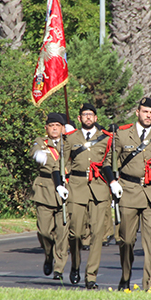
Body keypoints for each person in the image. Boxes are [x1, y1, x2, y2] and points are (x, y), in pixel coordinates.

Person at [110, 98, 151, 290]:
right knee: (126, 240)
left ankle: (149, 285)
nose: (148, 115)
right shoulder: (122, 134)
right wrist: (113, 182)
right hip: (128, 191)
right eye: (145, 112)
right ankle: (126, 276)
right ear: (137, 112)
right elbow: (110, 161)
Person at [63, 104, 114, 289]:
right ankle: (75, 264)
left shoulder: (106, 138)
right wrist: (62, 183)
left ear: (96, 117)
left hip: (99, 188)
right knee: (75, 233)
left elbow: (109, 162)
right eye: (85, 115)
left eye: (91, 114)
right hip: (77, 187)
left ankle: (91, 276)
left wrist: (113, 182)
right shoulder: (70, 138)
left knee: (97, 234)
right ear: (79, 118)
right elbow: (63, 163)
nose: (88, 117)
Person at [30, 113, 69, 280]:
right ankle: (48, 254)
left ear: (63, 128)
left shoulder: (69, 143)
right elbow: (35, 151)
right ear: (46, 128)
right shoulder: (41, 142)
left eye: (58, 125)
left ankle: (59, 268)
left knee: (62, 232)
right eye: (51, 125)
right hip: (46, 190)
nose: (54, 128)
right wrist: (40, 156)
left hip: (66, 190)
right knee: (44, 231)